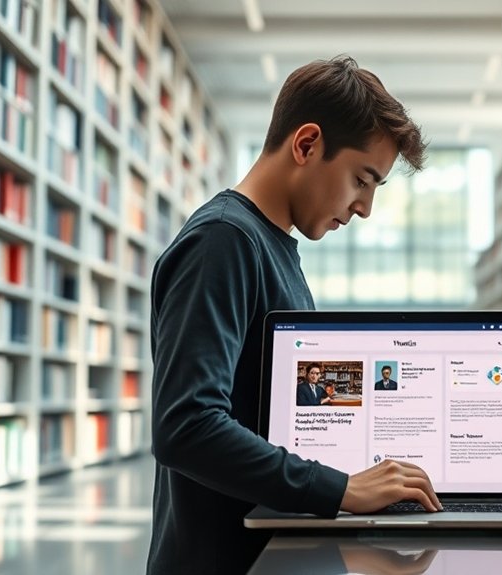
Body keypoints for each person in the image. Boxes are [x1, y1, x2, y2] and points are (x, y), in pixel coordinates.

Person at [147, 55, 442, 575]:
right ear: (306, 145)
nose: (364, 208)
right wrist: (342, 488)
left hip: (271, 549)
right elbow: (185, 426)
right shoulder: (224, 241)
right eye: (361, 179)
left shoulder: (274, 247)